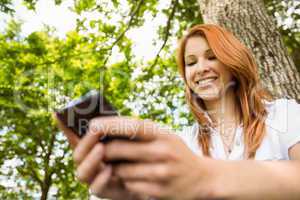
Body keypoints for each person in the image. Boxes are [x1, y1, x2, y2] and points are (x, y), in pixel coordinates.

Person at [56, 24, 300, 200]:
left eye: (211, 57)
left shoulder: (283, 114)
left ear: (232, 62)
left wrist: (207, 177)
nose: (201, 68)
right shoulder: (183, 143)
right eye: (191, 62)